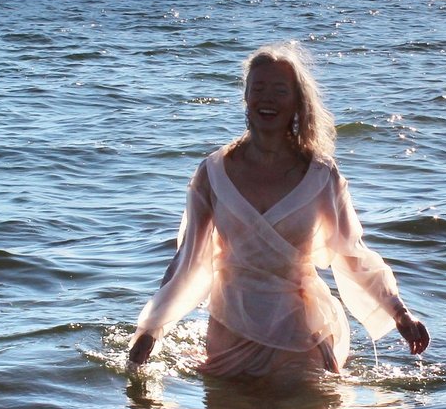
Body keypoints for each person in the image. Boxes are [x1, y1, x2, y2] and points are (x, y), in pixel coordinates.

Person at [126, 42, 430, 377]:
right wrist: (152, 329)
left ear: (297, 102)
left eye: (279, 90)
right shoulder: (212, 173)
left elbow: (352, 254)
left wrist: (400, 313)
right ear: (246, 97)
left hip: (300, 334)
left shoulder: (320, 175)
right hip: (230, 332)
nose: (267, 99)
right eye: (259, 89)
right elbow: (189, 260)